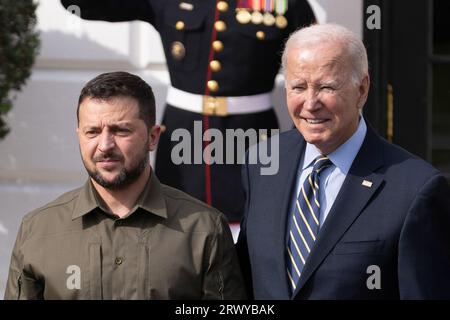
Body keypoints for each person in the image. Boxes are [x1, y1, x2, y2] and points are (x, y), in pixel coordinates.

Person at [236, 24, 450, 299]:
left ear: (361, 89)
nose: (310, 104)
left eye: (326, 87)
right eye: (298, 87)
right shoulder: (262, 163)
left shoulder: (415, 189)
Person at [59, 0, 316, 229]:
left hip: (251, 140)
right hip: (183, 141)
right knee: (176, 228)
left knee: (252, 231)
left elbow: (314, 69)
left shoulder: (284, 3)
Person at [4, 71, 246, 300]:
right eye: (92, 132)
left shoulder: (205, 229)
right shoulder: (37, 230)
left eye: (120, 130)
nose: (105, 145)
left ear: (153, 137)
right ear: (79, 135)